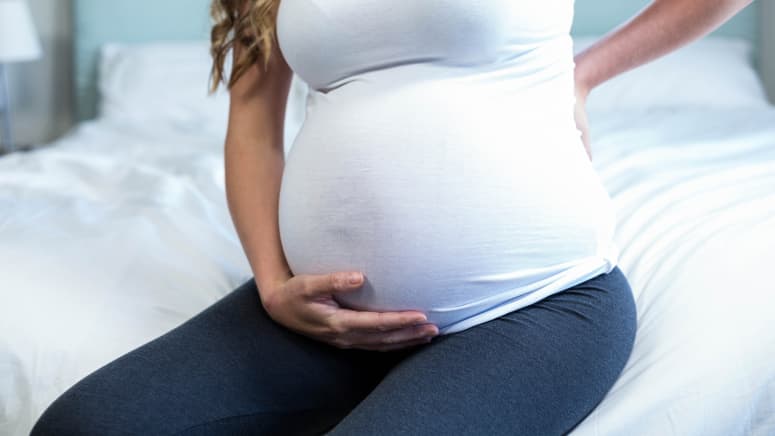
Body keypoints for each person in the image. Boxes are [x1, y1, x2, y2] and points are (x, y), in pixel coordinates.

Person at [31, 0, 753, 434]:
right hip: (318, 314)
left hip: (531, 307)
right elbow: (252, 125)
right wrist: (274, 284)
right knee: (82, 426)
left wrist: (586, 71)